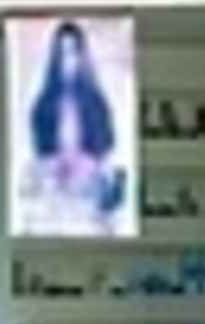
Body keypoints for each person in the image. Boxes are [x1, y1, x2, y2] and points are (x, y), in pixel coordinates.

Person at [20, 19, 128, 233]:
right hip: (54, 195)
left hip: (87, 196)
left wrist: (90, 169)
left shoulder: (96, 102)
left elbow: (107, 148)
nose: (69, 60)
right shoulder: (44, 103)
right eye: (63, 53)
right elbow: (38, 150)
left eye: (73, 52)